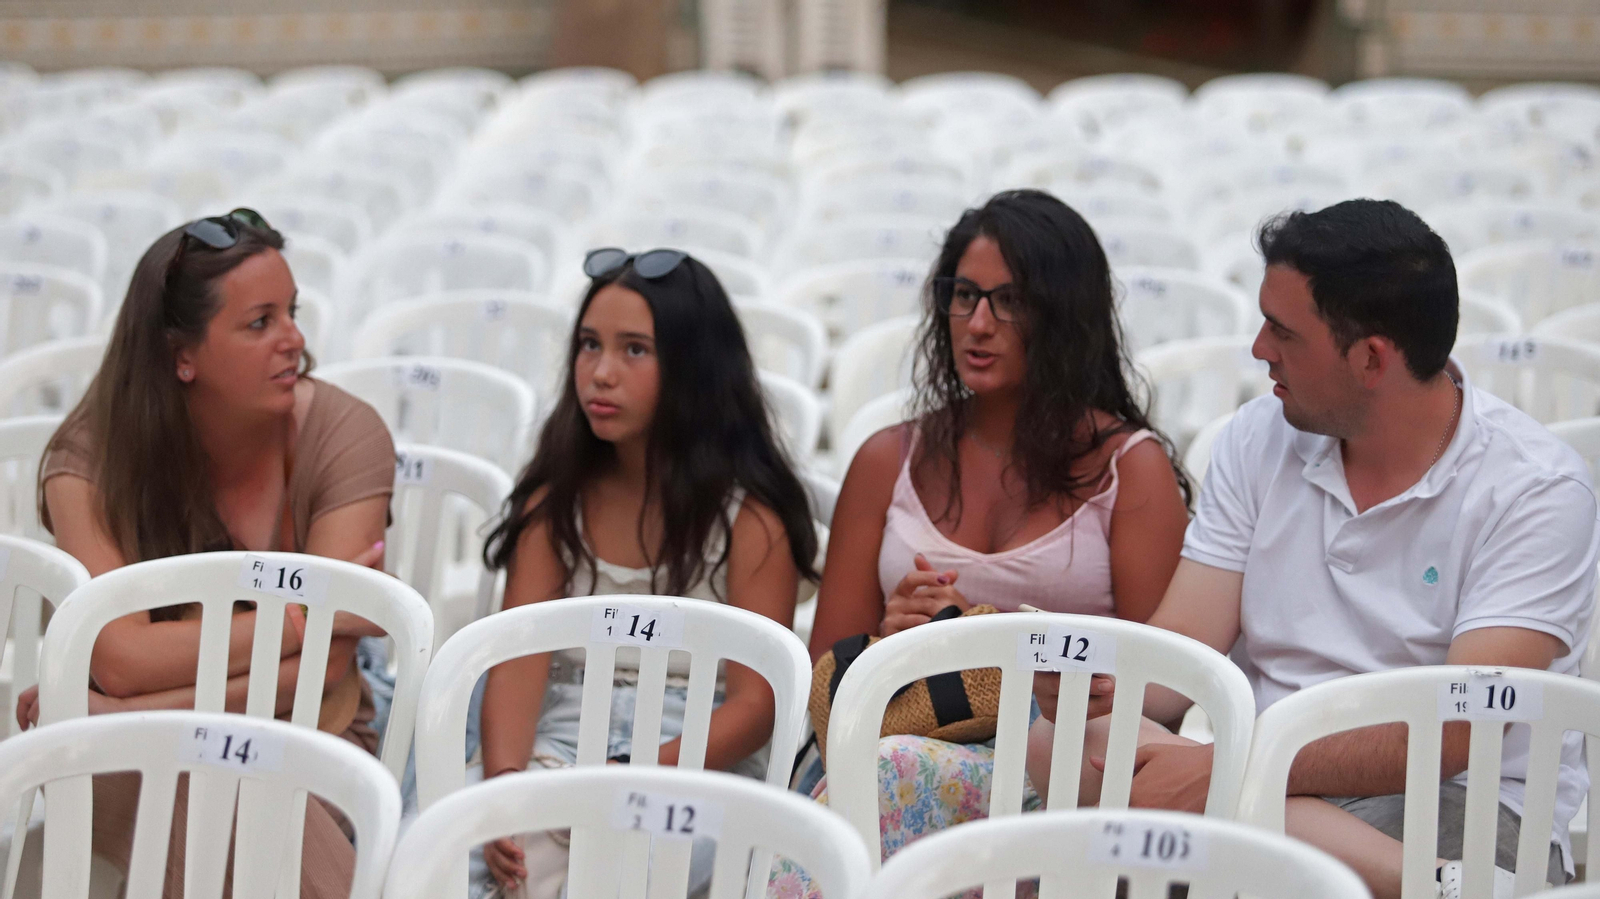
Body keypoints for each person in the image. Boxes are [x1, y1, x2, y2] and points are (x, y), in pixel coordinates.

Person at [1026, 199, 1597, 899]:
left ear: (1370, 358)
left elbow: (1453, 735)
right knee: (1058, 742)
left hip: (1462, 803)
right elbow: (1181, 658)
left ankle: (1422, 876)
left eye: (1283, 331)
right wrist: (1094, 687)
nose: (1261, 348)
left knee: (1234, 819)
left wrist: (1230, 769)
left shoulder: (1534, 488)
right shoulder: (1256, 437)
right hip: (1271, 781)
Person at [798, 190, 1192, 866]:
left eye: (1010, 301)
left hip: (1053, 770)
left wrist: (978, 639)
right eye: (964, 296)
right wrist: (895, 635)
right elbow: (825, 667)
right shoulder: (887, 457)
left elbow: (1164, 690)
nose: (978, 323)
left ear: (1065, 318)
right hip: (889, 732)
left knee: (880, 778)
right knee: (865, 774)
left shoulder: (1132, 470)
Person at [14, 210, 394, 898]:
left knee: (220, 769)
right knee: (204, 767)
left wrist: (126, 713)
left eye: (292, 312)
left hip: (318, 737)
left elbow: (320, 673)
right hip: (126, 758)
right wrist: (306, 619)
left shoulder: (346, 434)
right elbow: (120, 658)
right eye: (260, 322)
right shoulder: (88, 460)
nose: (295, 339)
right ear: (179, 355)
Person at [474, 247, 818, 897]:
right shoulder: (556, 503)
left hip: (692, 763)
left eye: (635, 350)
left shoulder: (750, 518)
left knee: (614, 871)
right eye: (589, 345)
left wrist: (626, 777)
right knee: (444, 847)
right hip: (560, 734)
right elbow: (518, 662)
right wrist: (502, 788)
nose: (601, 372)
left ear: (694, 369)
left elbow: (756, 701)